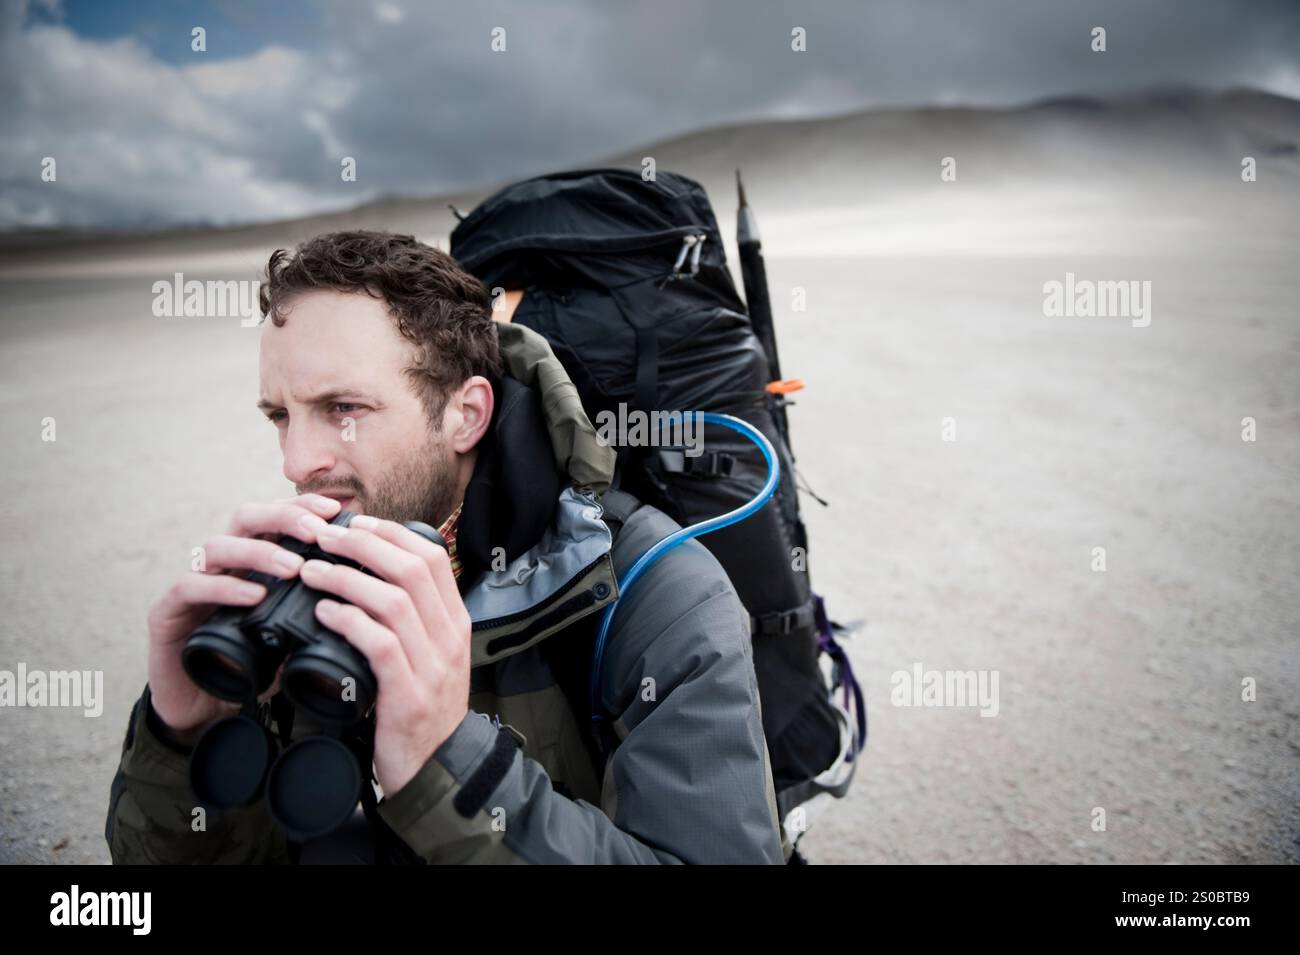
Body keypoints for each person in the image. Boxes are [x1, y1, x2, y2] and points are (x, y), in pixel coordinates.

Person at [105, 230, 790, 864]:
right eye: (282, 415)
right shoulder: (312, 577)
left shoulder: (660, 594)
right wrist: (184, 742)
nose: (297, 460)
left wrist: (450, 762)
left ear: (466, 414)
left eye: (344, 409)